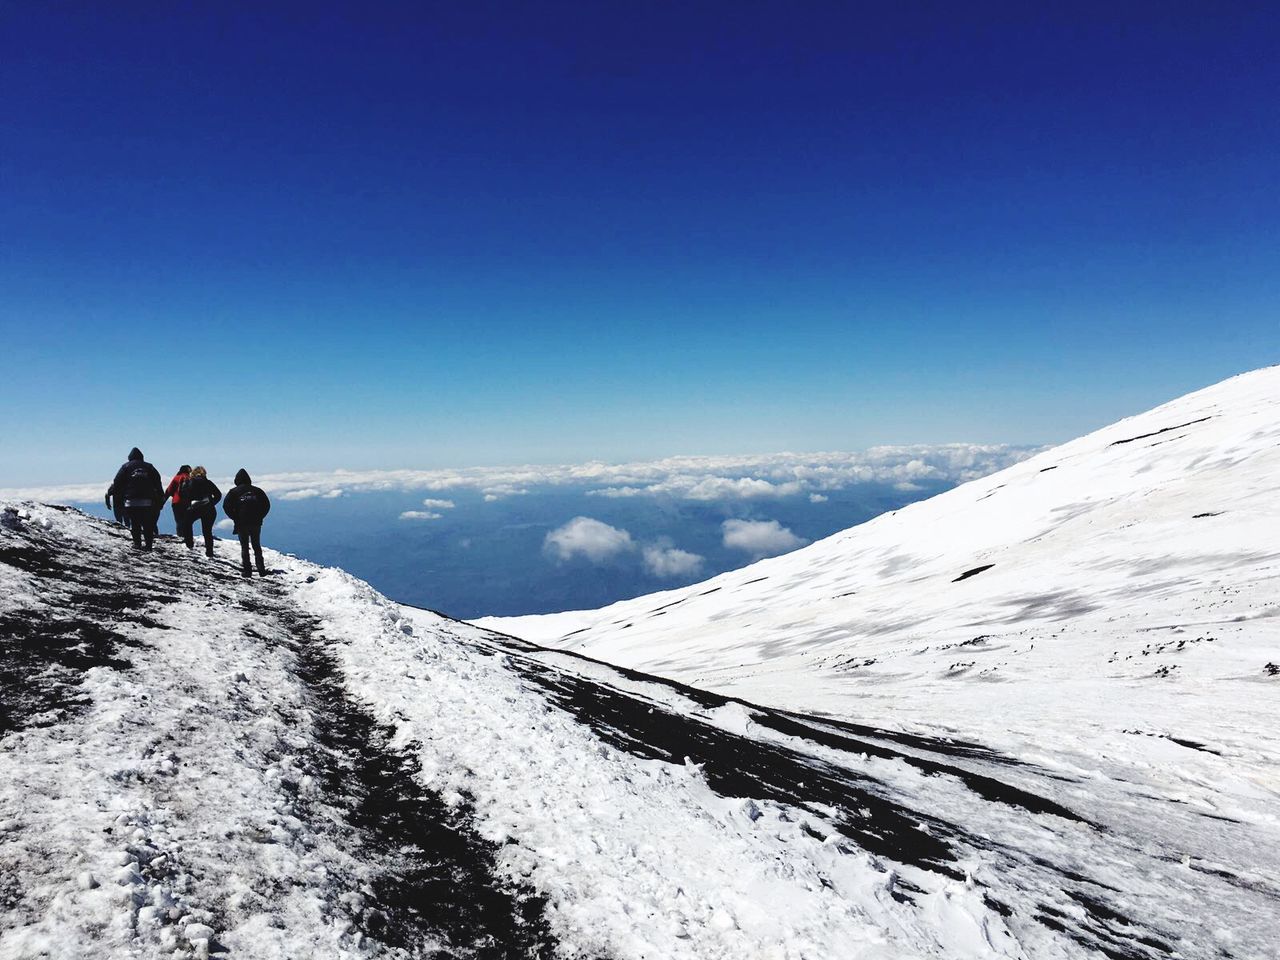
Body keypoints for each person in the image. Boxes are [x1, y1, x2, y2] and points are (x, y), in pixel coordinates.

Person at [110, 447, 164, 550]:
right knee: (147, 524)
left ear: (129, 458)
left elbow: (117, 482)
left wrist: (119, 498)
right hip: (147, 502)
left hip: (131, 502)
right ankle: (148, 545)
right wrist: (160, 497)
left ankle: (137, 544)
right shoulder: (149, 467)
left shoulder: (125, 467)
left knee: (135, 523)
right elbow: (158, 482)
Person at [223, 468, 271, 576]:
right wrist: (260, 516)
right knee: (256, 545)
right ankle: (261, 570)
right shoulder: (258, 491)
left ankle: (247, 571)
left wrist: (235, 517)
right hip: (256, 522)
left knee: (244, 546)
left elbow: (226, 506)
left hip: (241, 523)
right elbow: (267, 505)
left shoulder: (233, 492)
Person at [180, 466, 221, 557]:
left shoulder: (188, 482)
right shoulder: (209, 483)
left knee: (187, 524)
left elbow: (182, 494)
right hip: (209, 509)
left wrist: (189, 504)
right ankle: (209, 552)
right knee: (207, 531)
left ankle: (189, 545)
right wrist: (211, 503)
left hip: (194, 508)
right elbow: (218, 495)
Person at [163, 464, 193, 539]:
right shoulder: (190, 478)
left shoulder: (176, 478)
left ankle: (180, 536)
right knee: (186, 520)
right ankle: (187, 536)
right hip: (187, 503)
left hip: (176, 502)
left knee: (179, 520)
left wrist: (161, 503)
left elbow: (169, 490)